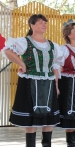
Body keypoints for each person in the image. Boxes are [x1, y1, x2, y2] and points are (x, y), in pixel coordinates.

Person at [1, 14, 63, 147]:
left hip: (49, 84)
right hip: (30, 82)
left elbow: (55, 66)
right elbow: (7, 51)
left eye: (45, 23)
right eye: (40, 22)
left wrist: (56, 85)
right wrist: (22, 64)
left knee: (49, 119)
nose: (44, 25)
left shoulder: (52, 45)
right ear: (32, 25)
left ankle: (47, 145)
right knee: (31, 119)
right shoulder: (25, 42)